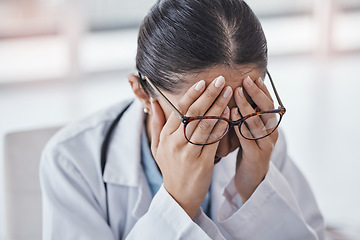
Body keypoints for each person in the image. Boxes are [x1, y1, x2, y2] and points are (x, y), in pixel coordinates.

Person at [40, 0, 325, 239]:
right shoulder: (71, 161)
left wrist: (255, 187)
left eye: (240, 112)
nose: (224, 147)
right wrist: (177, 203)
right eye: (203, 119)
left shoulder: (259, 135)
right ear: (141, 93)